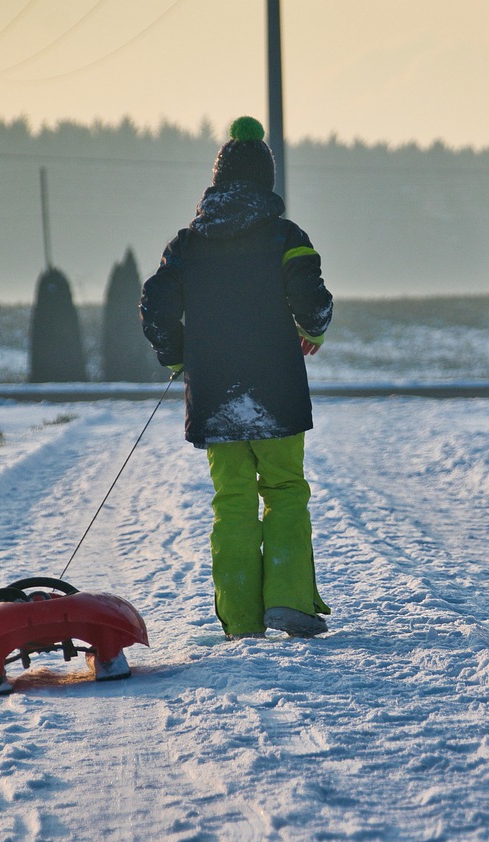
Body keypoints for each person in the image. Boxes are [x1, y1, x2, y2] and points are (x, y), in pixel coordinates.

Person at [140, 116, 334, 640]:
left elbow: (155, 305)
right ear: (266, 183)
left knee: (232, 501)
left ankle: (242, 619)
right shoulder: (285, 237)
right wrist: (311, 329)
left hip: (214, 394)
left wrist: (178, 358)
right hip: (277, 391)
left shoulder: (186, 245)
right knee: (286, 490)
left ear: (218, 182)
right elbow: (313, 304)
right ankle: (290, 603)